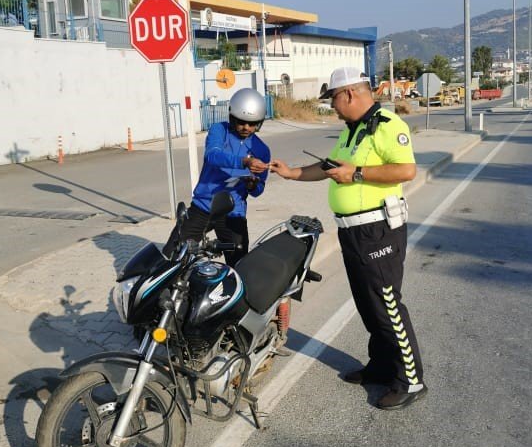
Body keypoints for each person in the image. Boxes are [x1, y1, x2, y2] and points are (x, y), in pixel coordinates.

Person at [269, 67, 426, 410]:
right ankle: (382, 366)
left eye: (335, 100)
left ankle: (410, 380)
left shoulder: (387, 125)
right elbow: (329, 168)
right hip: (352, 230)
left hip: (377, 230)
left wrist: (356, 173)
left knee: (386, 304)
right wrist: (291, 173)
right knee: (367, 304)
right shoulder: (352, 131)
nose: (334, 108)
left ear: (351, 94)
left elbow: (405, 169)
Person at [163, 87, 271, 266]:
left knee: (239, 266)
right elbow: (212, 156)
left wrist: (253, 185)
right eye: (241, 122)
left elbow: (258, 190)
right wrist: (244, 162)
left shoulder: (262, 149)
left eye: (252, 124)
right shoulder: (219, 130)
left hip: (233, 212)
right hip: (203, 206)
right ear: (231, 117)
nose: (246, 127)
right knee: (173, 256)